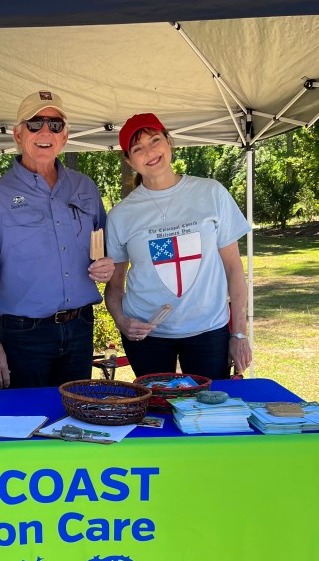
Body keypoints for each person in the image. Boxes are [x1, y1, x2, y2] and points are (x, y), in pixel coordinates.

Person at [0, 90, 115, 388]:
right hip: (23, 335)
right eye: (35, 123)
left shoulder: (85, 187)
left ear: (65, 136)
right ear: (17, 134)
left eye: (55, 124)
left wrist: (105, 266)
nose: (45, 132)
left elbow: (103, 254)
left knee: (75, 420)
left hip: (80, 327)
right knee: (26, 425)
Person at [104, 112, 252, 380]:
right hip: (148, 336)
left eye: (155, 140)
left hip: (209, 330)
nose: (150, 152)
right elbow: (114, 287)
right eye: (138, 148)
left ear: (168, 141)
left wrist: (239, 332)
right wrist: (122, 321)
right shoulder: (121, 215)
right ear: (128, 160)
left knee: (208, 411)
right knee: (155, 414)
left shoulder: (211, 192)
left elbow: (233, 268)